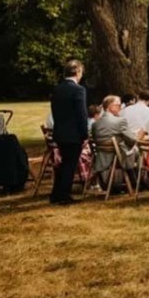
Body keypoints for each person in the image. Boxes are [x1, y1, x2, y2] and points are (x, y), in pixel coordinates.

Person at [48, 59, 89, 205]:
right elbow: (81, 114)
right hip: (73, 133)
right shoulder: (78, 90)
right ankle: (63, 194)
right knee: (69, 165)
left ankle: (56, 193)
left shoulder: (57, 89)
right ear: (77, 72)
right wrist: (84, 134)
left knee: (63, 163)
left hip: (60, 131)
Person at [91, 95, 140, 184]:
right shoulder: (120, 121)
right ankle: (136, 182)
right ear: (109, 107)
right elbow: (132, 140)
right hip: (117, 157)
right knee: (138, 151)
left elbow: (94, 139)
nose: (120, 108)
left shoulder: (95, 124)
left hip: (100, 158)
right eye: (118, 105)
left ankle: (132, 181)